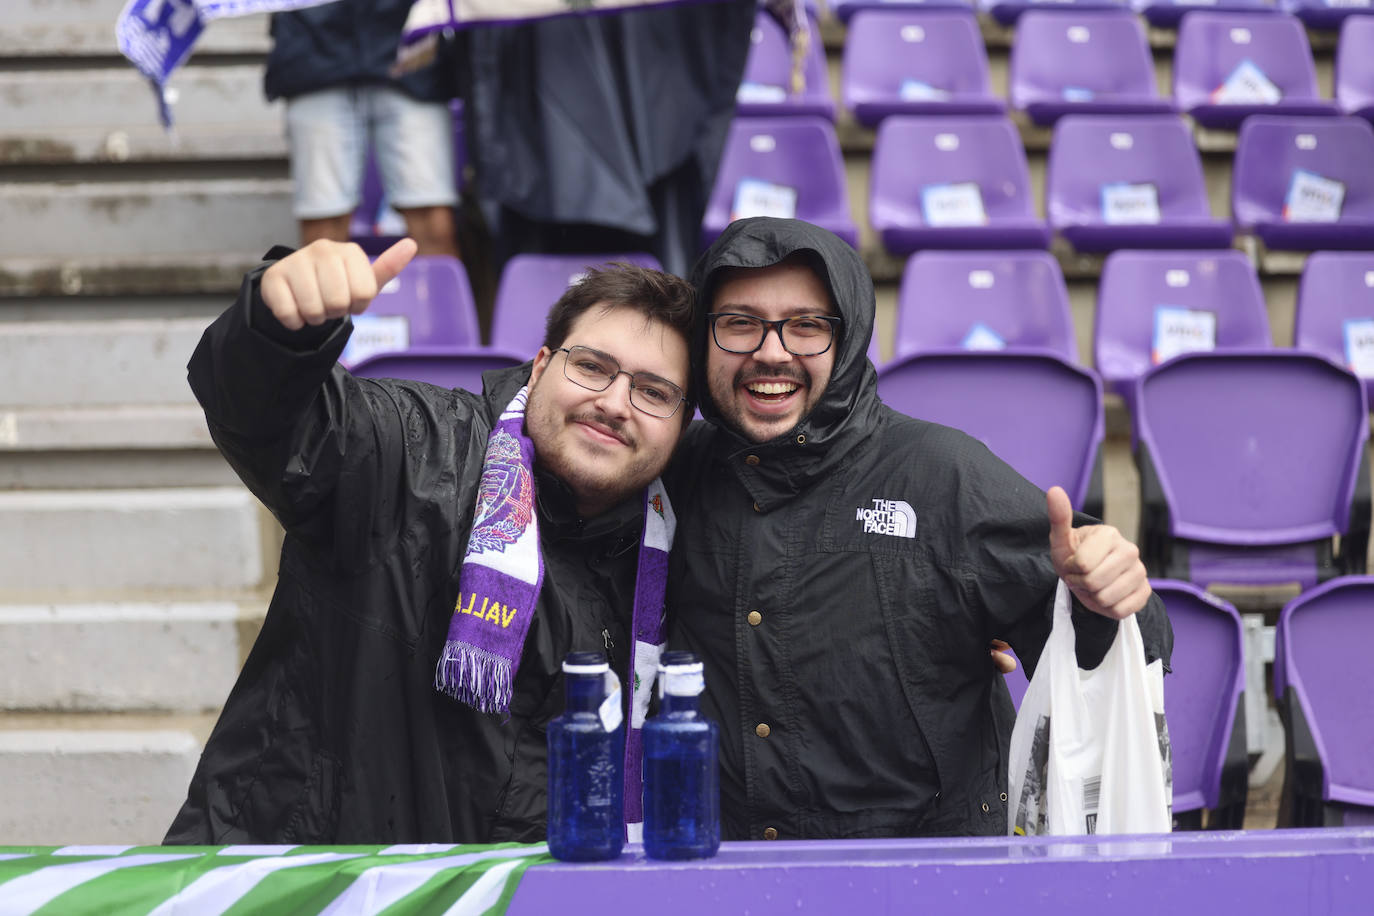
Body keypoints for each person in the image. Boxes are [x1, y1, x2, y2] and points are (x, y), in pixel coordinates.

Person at [165, 238, 694, 844]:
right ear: (542, 366)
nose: (614, 402)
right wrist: (279, 331)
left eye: (653, 392)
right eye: (592, 367)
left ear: (683, 425)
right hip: (299, 887)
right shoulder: (414, 449)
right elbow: (276, 420)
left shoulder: (676, 554)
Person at [665, 217, 1174, 840]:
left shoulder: (942, 473)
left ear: (847, 339)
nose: (772, 352)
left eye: (807, 326)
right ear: (703, 338)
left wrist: (1105, 598)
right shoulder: (667, 470)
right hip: (716, 871)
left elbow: (1117, 639)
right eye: (739, 323)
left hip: (925, 878)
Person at [266, 0, 460, 257]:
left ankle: (440, 297)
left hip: (410, 51)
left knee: (433, 222)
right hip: (313, 51)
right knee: (323, 228)